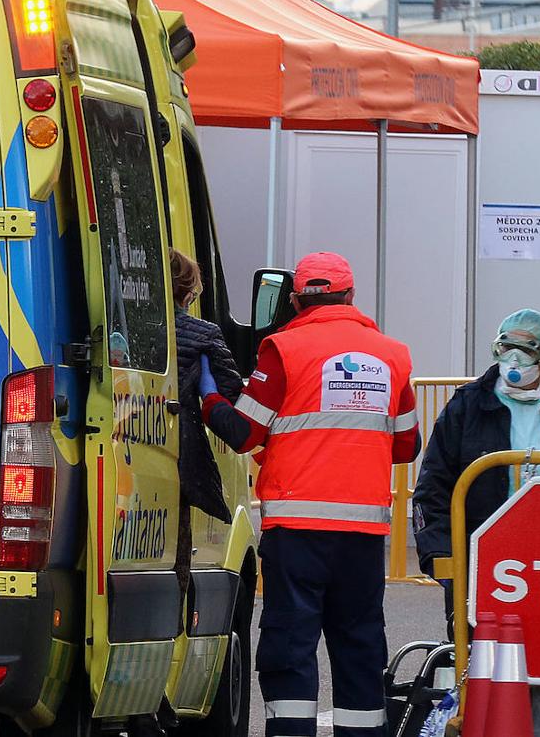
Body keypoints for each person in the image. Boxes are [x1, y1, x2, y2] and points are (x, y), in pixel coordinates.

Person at [199, 251, 420, 737]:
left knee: (291, 644)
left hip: (297, 531)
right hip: (362, 534)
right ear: (351, 296)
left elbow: (243, 433)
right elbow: (407, 444)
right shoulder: (393, 354)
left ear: (297, 300)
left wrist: (209, 396)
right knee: (360, 642)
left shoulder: (282, 349)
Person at [411, 309, 540, 632]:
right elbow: (434, 484)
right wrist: (442, 555)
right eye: (506, 349)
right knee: (482, 659)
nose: (514, 361)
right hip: (483, 557)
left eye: (527, 351)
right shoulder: (468, 405)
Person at [168, 248, 244, 602]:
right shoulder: (204, 334)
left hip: (125, 446)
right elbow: (233, 394)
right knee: (179, 551)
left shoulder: (118, 330)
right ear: (188, 292)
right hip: (182, 452)